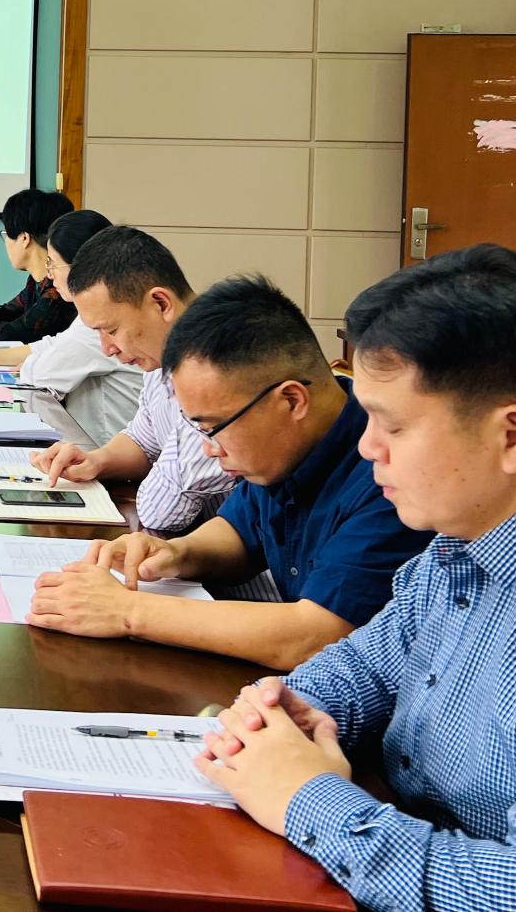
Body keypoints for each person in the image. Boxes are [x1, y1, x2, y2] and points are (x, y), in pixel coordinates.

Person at [196, 246, 516, 911]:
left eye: (392, 425)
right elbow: (365, 666)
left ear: (515, 437)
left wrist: (307, 798)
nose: (367, 447)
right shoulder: (471, 533)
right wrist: (289, 712)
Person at [30, 274, 430, 670]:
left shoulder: (390, 474)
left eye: (214, 427)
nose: (209, 447)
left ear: (292, 401)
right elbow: (239, 532)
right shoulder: (286, 445)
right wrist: (175, 553)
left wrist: (127, 610)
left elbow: (316, 636)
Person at [28, 226, 234, 536]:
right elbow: (143, 439)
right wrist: (96, 461)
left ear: (160, 304)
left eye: (111, 330)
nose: (107, 349)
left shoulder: (218, 363)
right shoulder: (160, 360)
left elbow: (161, 510)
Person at [7, 210, 142, 441]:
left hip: (107, 451)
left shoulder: (102, 321)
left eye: (52, 263)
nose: (49, 274)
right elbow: (56, 345)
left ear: (81, 267)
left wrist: (29, 364)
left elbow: (37, 376)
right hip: (105, 448)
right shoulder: (102, 309)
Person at [0, 188, 74, 345]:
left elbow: (19, 332)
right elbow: (11, 313)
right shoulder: (35, 283)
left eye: (6, 234)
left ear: (25, 238)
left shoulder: (58, 291)